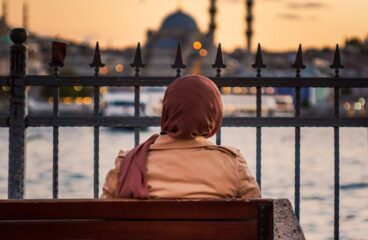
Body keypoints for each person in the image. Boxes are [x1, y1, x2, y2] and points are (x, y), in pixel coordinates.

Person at [101, 75, 261, 199]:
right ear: (214, 114)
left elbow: (103, 217)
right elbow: (259, 213)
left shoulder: (127, 163)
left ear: (167, 110)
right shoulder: (232, 164)